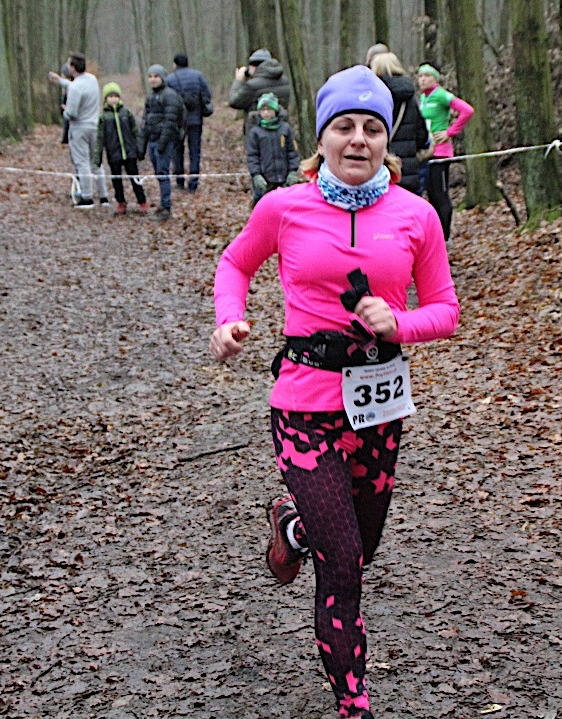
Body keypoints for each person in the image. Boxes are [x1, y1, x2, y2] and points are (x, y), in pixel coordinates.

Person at [210, 65, 459, 719]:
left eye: (371, 128)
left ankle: (291, 526)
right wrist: (229, 320)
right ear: (320, 139)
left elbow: (444, 309)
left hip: (378, 404)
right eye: (343, 127)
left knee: (360, 548)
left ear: (386, 140)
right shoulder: (282, 207)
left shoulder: (416, 214)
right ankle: (353, 702)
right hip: (302, 405)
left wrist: (398, 323)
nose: (357, 140)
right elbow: (235, 263)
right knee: (342, 563)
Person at [416, 63, 473, 243]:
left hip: (440, 153)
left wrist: (450, 132)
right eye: (420, 76)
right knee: (431, 195)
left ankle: (446, 237)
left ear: (435, 78)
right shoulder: (423, 98)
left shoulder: (441, 95)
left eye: (427, 76)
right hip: (427, 152)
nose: (422, 79)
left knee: (440, 194)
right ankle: (436, 236)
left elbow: (467, 110)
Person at [370, 52, 430, 195]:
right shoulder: (410, 98)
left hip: (380, 169)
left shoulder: (372, 96)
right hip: (406, 171)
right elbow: (422, 136)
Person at [56, 53, 107, 209]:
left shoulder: (75, 88)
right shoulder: (92, 80)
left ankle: (87, 197)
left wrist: (64, 110)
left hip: (79, 128)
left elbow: (71, 113)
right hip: (94, 125)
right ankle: (103, 196)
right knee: (96, 162)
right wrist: (60, 81)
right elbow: (77, 85)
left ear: (72, 68)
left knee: (82, 163)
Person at [95, 82, 148, 215]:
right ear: (106, 99)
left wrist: (139, 149)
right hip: (114, 154)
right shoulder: (103, 117)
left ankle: (142, 201)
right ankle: (121, 201)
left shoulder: (126, 113)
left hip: (129, 153)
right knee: (116, 180)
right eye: (110, 96)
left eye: (115, 96)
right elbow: (100, 139)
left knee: (135, 178)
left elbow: (135, 132)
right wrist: (97, 157)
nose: (113, 99)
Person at [142, 64, 185, 222]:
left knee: (163, 173)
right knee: (159, 174)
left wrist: (163, 142)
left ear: (162, 78)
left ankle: (166, 206)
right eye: (150, 76)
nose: (153, 79)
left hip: (164, 142)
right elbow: (145, 121)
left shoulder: (170, 95)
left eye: (156, 76)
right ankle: (163, 203)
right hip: (153, 140)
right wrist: (142, 143)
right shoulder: (150, 97)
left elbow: (171, 121)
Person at [165, 53, 212, 193]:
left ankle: (179, 181)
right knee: (195, 151)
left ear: (175, 64)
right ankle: (193, 182)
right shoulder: (198, 76)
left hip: (178, 121)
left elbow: (167, 99)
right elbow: (207, 95)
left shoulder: (170, 79)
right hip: (195, 119)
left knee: (177, 151)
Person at [246, 92, 299, 206]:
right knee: (262, 206)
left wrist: (293, 171)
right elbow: (252, 156)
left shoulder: (285, 129)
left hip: (284, 178)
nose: (266, 112)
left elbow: (292, 151)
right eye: (263, 110)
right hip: (265, 179)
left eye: (269, 109)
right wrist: (256, 175)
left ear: (275, 110)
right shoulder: (255, 132)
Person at [228, 49, 291, 134]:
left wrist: (238, 80)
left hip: (257, 134)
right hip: (280, 131)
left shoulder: (252, 85)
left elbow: (234, 102)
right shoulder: (285, 81)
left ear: (255, 66)